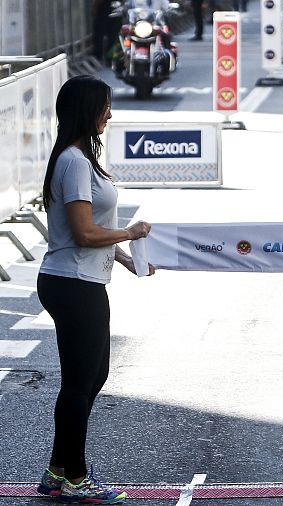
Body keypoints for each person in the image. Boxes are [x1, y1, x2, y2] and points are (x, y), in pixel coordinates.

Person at [35, 75, 154, 504]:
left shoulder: (80, 157)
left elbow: (85, 230)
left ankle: (58, 472)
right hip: (72, 282)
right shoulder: (74, 161)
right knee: (80, 382)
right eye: (105, 105)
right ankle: (76, 479)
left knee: (91, 377)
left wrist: (123, 258)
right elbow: (84, 233)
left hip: (81, 278)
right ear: (86, 109)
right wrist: (131, 232)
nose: (110, 112)